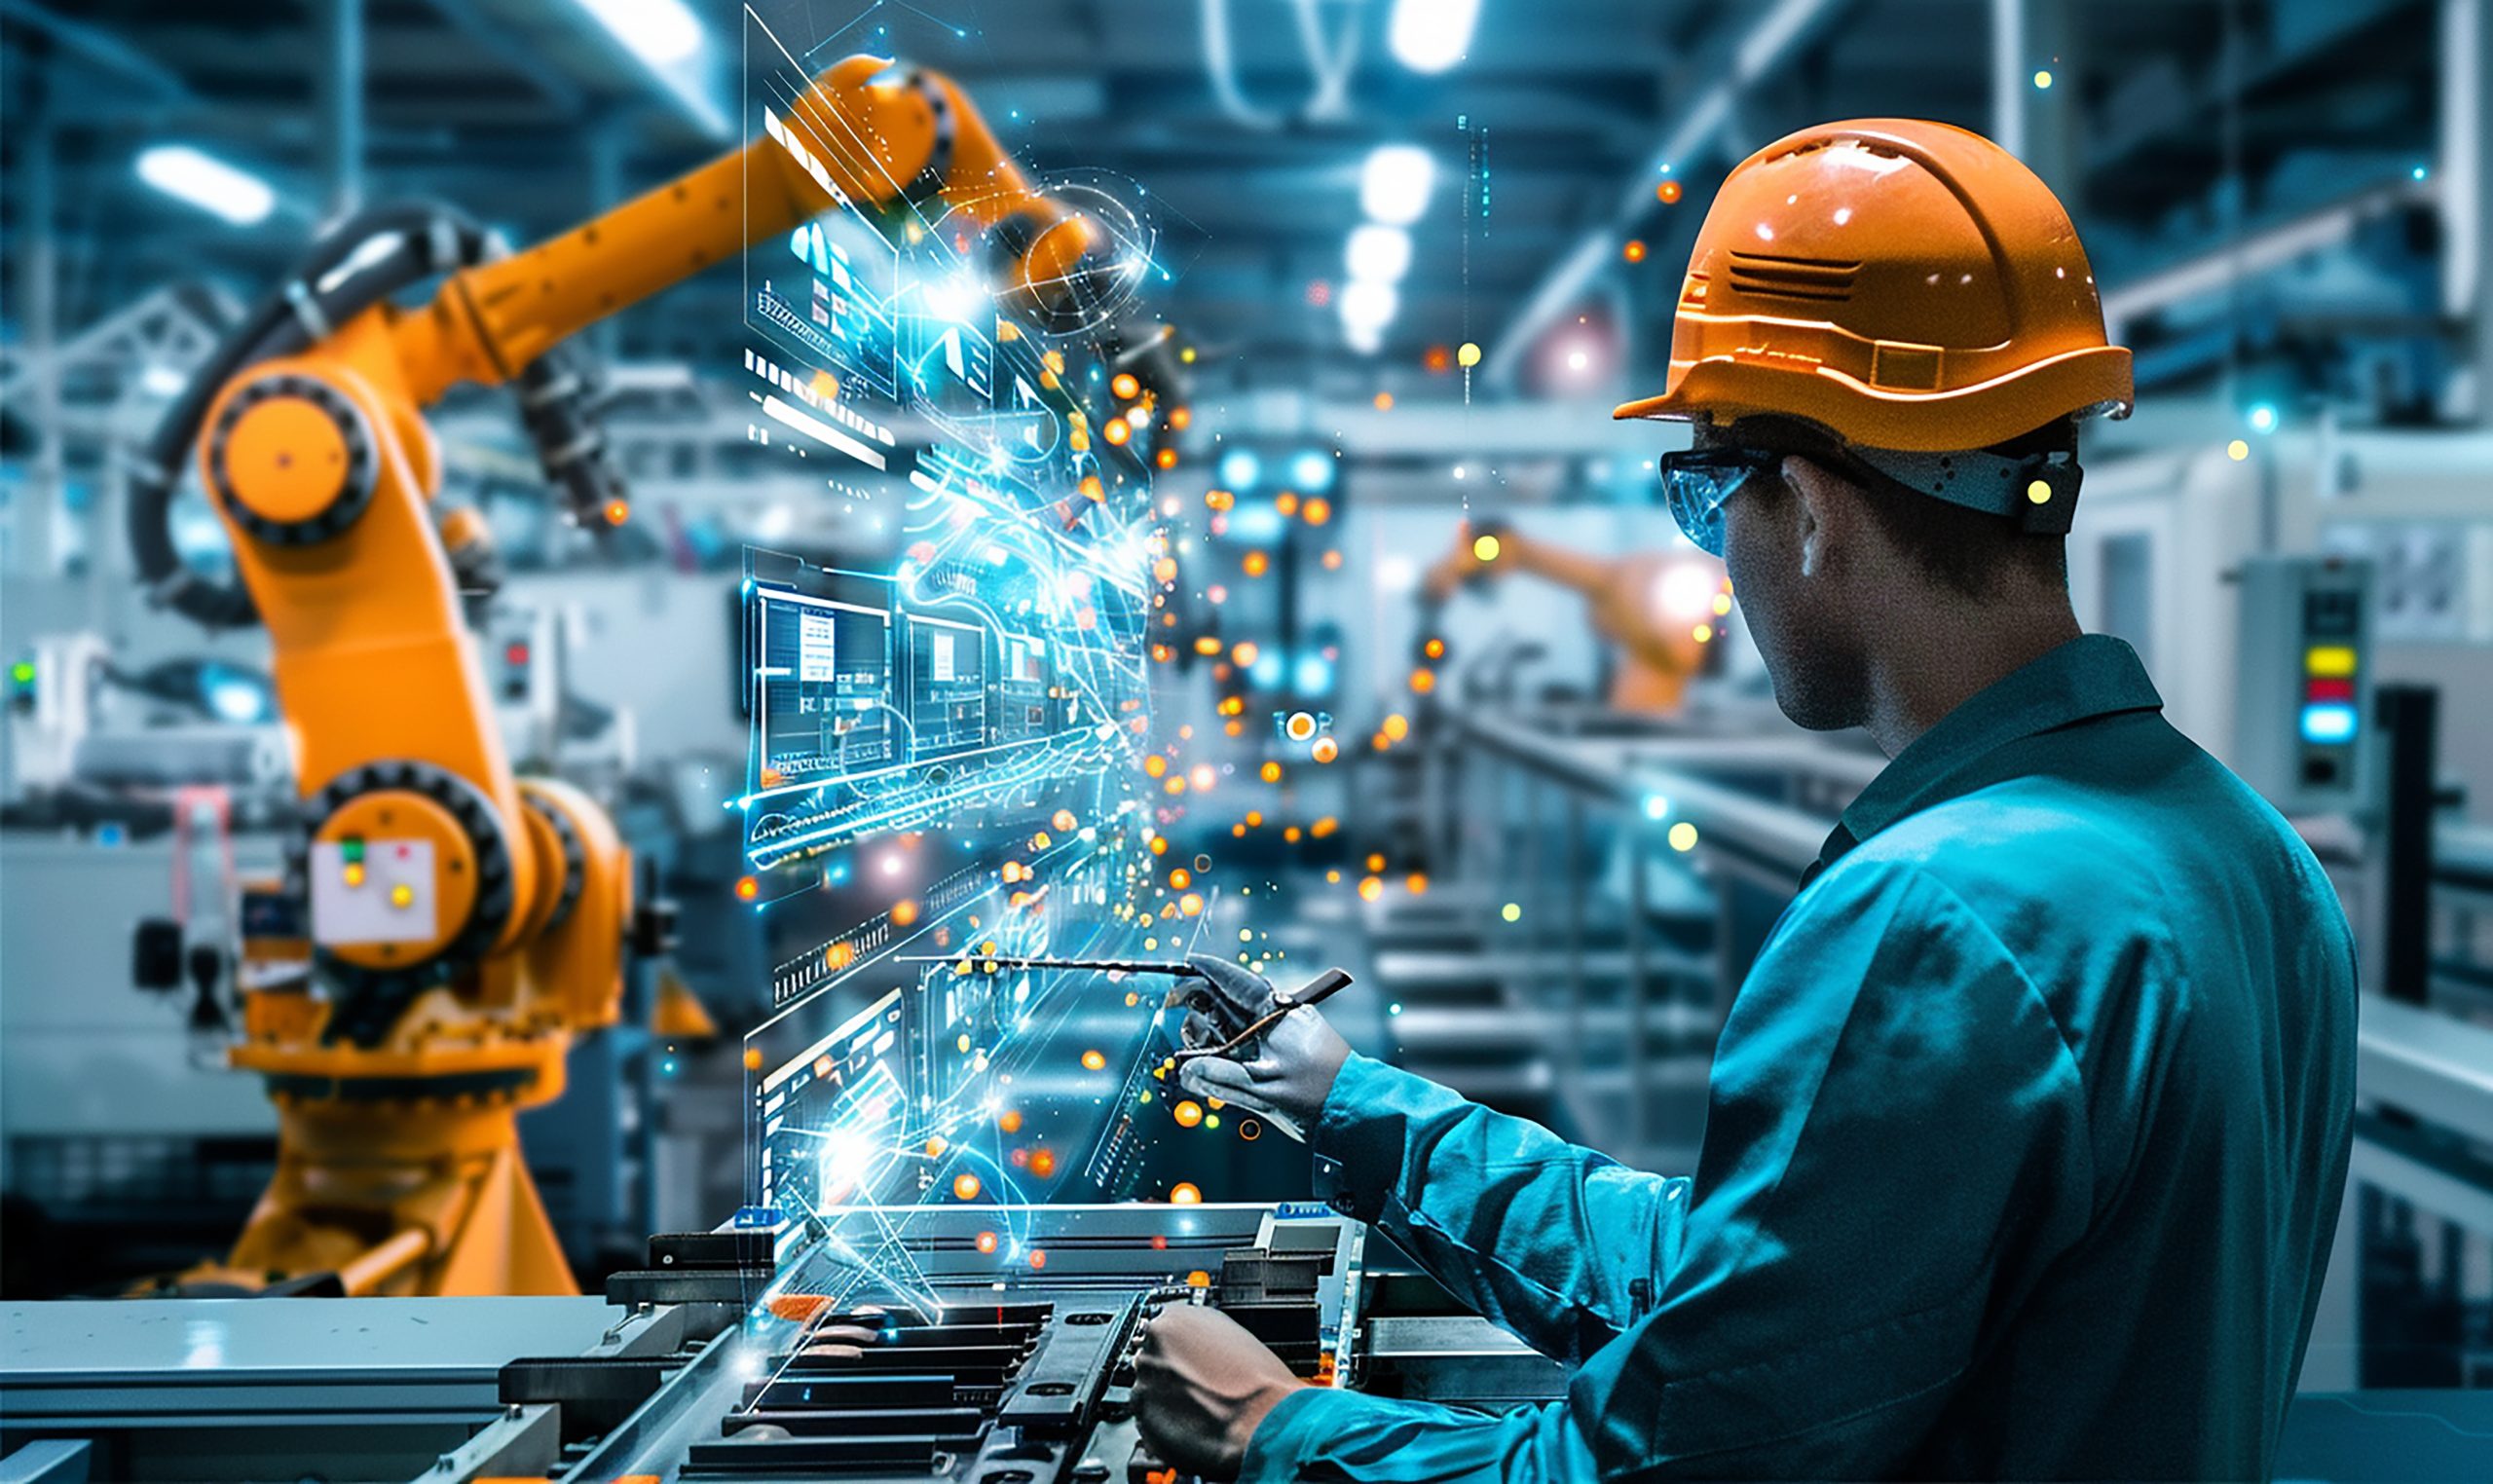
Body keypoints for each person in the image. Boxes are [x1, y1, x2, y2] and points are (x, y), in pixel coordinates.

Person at [1129, 118, 2358, 1481]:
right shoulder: (2259, 866)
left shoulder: (1936, 923)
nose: (1718, 564)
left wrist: (1275, 1431)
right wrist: (1357, 1104)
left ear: (1818, 513)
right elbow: (1771, 1303)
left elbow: (1665, 1466)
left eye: (1710, 497)